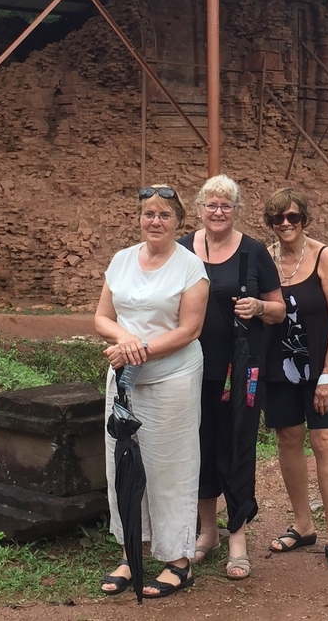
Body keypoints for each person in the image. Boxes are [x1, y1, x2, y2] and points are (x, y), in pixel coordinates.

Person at [95, 184, 210, 599]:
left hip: (171, 378)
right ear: (139, 219)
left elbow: (189, 329)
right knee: (120, 464)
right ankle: (132, 551)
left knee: (169, 468)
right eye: (148, 214)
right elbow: (103, 316)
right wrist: (125, 341)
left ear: (179, 221)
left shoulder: (190, 267)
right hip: (124, 379)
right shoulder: (122, 260)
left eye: (164, 214)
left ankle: (178, 559)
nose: (155, 221)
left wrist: (136, 349)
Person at [178, 174, 285, 580]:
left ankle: (236, 535)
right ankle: (208, 532)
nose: (218, 212)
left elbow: (280, 310)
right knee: (199, 444)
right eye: (211, 204)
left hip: (240, 368)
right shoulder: (184, 248)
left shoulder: (255, 252)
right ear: (200, 209)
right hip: (190, 365)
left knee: (237, 443)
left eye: (226, 205)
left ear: (236, 210)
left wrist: (258, 307)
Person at [263, 187, 328, 571]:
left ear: (304, 220)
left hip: (321, 363)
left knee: (325, 439)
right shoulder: (264, 259)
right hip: (280, 364)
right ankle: (303, 525)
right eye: (278, 218)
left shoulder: (323, 256)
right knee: (288, 438)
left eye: (293, 217)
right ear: (270, 223)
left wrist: (327, 375)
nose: (286, 224)